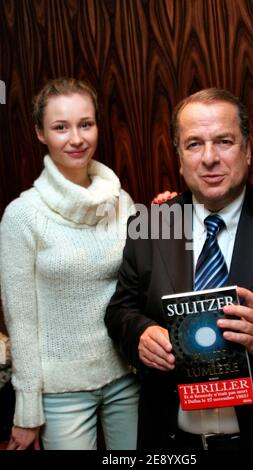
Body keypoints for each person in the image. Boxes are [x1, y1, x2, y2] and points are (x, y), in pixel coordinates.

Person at [105, 87, 253, 450]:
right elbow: (120, 311)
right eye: (194, 144)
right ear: (179, 158)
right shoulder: (151, 224)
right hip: (170, 442)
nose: (209, 158)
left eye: (224, 141)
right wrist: (141, 334)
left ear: (248, 149)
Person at [0, 77, 140, 450]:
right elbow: (21, 321)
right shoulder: (22, 215)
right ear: (40, 134)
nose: (76, 138)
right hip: (61, 392)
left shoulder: (121, 200)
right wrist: (27, 410)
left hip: (127, 376)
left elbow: (143, 279)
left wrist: (169, 213)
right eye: (60, 127)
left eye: (86, 124)